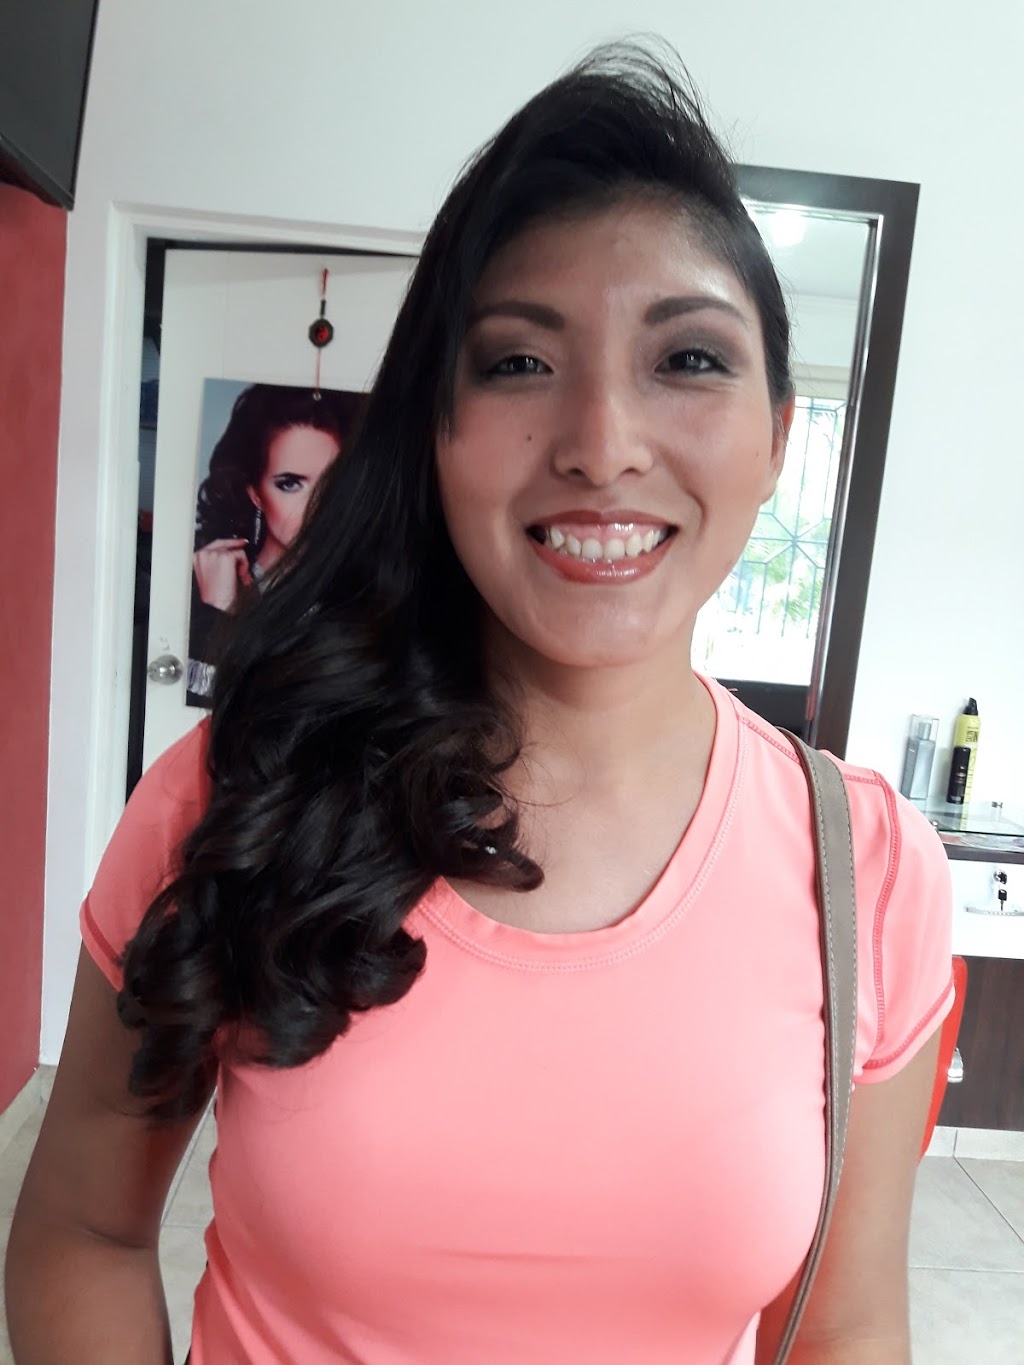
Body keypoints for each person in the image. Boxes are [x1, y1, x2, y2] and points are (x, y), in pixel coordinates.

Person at [6, 43, 952, 1365]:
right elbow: (84, 1231)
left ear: (777, 439)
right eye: (517, 363)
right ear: (434, 431)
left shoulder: (868, 874)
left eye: (687, 358)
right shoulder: (242, 790)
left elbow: (844, 1328)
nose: (602, 444)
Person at [187, 383, 364, 702]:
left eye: (334, 484)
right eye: (290, 484)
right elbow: (201, 708)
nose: (316, 508)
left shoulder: (369, 592)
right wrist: (221, 613)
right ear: (255, 493)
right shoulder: (205, 585)